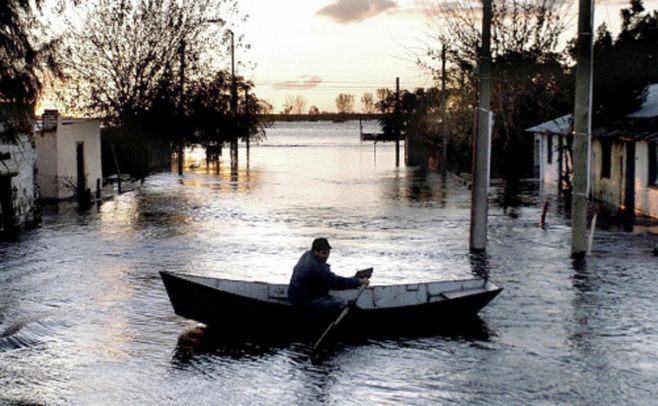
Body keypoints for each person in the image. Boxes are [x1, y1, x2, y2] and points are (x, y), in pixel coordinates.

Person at [287, 238, 369, 311]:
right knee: (343, 303)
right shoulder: (316, 267)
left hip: (293, 295)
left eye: (328, 253)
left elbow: (328, 278)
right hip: (304, 301)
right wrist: (358, 282)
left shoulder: (307, 254)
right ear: (315, 252)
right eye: (323, 253)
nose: (326, 256)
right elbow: (335, 282)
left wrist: (353, 280)